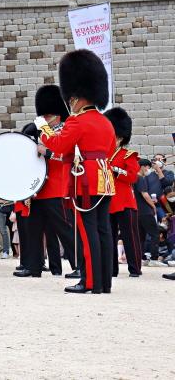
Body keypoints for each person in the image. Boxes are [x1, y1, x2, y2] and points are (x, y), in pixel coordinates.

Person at [35, 49, 116, 294]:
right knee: (104, 230)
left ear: (77, 97)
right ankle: (104, 282)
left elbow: (58, 145)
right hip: (105, 177)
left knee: (87, 230)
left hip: (85, 180)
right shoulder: (105, 121)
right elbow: (110, 150)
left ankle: (89, 281)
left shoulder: (77, 121)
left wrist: (44, 128)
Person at [17, 86, 78, 278]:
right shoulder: (42, 132)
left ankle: (80, 266)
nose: (44, 118)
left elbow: (68, 156)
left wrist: (48, 151)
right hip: (38, 188)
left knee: (64, 230)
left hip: (57, 187)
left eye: (48, 114)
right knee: (34, 228)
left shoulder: (65, 130)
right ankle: (33, 265)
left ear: (57, 115)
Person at [104, 107, 142, 277]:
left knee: (130, 237)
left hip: (125, 200)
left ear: (119, 138)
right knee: (109, 237)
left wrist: (116, 171)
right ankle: (112, 269)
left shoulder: (128, 155)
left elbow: (133, 177)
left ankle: (135, 269)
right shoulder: (103, 155)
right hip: (108, 201)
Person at [134, 160, 165, 267]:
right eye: (148, 167)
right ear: (143, 167)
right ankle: (154, 258)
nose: (149, 170)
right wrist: (153, 206)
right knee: (155, 234)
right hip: (146, 211)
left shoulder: (133, 178)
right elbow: (145, 194)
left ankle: (141, 258)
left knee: (141, 236)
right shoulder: (141, 178)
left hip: (137, 211)